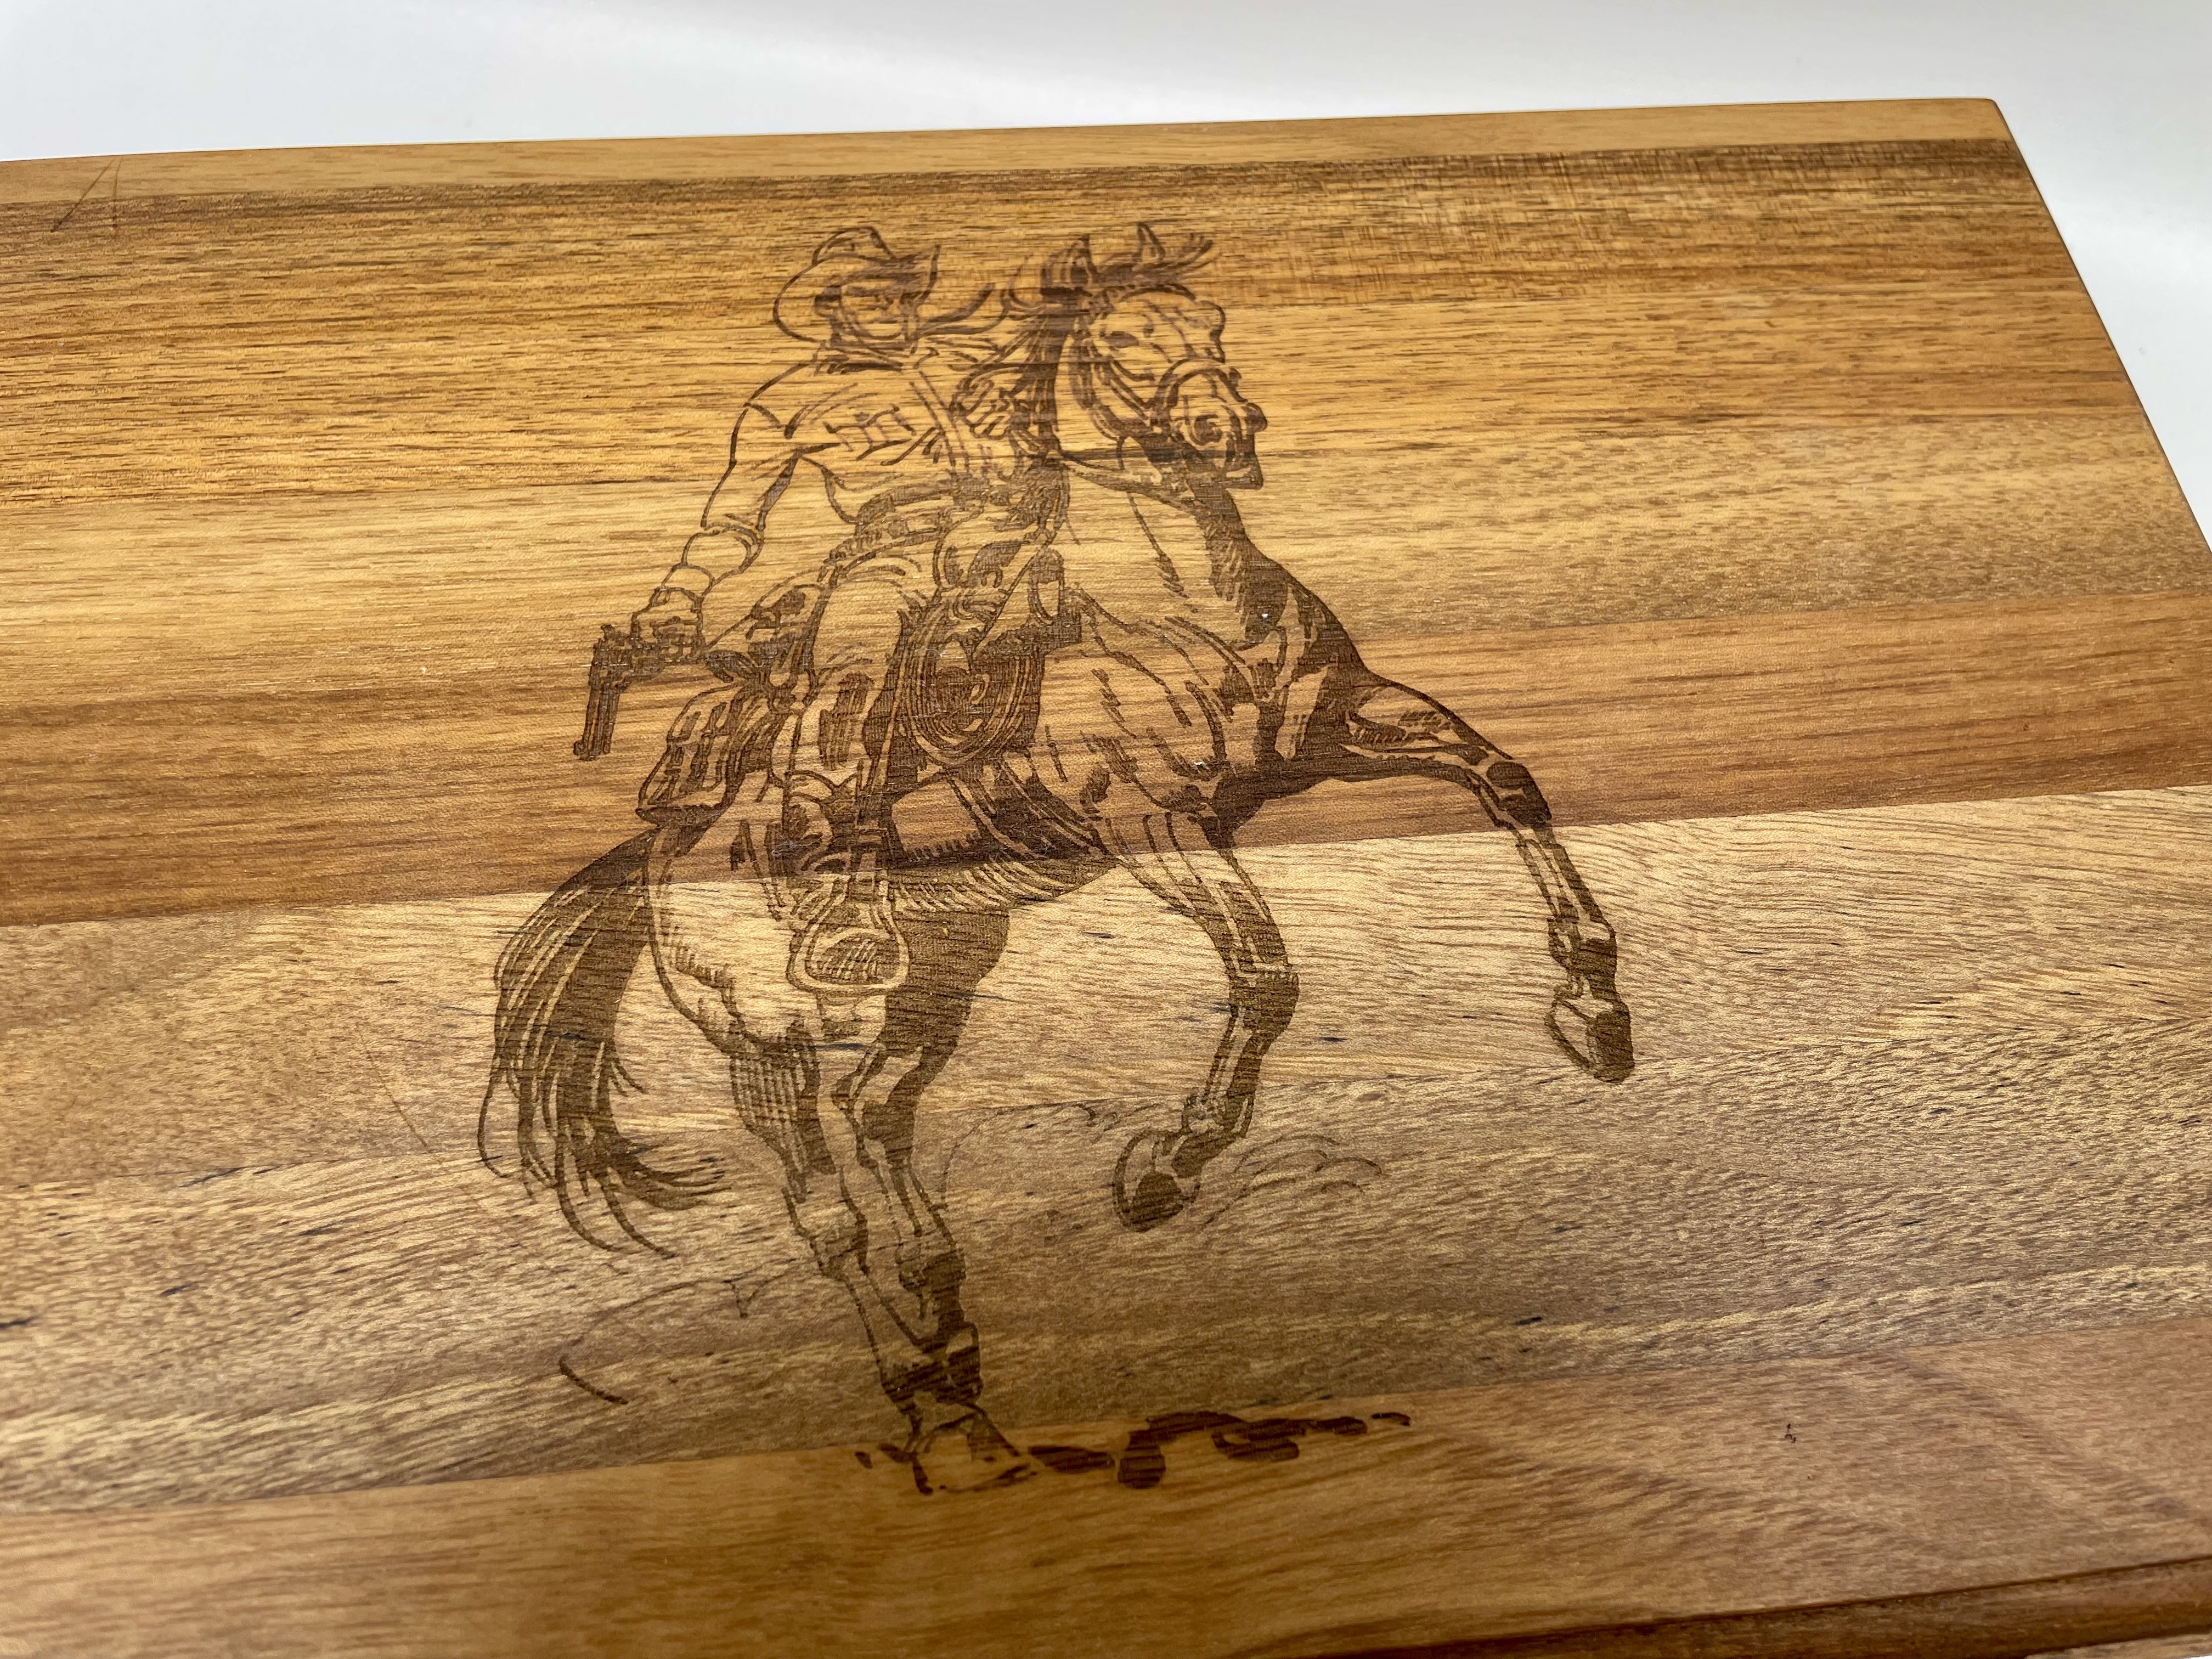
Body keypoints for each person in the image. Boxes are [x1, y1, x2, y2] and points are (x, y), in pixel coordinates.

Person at [630, 228, 1006, 995]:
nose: (896, 309)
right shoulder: (786, 403)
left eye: (904, 294)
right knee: (855, 664)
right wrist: (680, 594)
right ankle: (839, 880)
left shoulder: (967, 363)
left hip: (1025, 534)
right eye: (873, 296)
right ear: (832, 305)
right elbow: (734, 519)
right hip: (900, 554)